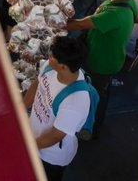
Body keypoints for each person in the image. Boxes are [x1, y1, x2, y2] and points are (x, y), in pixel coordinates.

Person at [65, 0, 138, 134]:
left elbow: (81, 24)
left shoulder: (116, 14)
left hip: (102, 62)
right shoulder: (121, 0)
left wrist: (55, 22)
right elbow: (93, 18)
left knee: (96, 95)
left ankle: (93, 129)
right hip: (99, 52)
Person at [24, 36, 93, 180]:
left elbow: (55, 136)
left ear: (63, 66)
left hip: (50, 157)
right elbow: (38, 84)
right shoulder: (50, 68)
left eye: (51, 56)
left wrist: (26, 146)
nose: (48, 57)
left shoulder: (75, 102)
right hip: (33, 138)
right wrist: (21, 108)